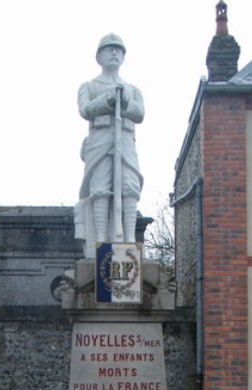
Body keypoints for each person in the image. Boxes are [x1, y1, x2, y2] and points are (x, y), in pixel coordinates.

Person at [74, 33, 144, 257]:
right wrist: (107, 100)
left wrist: (123, 101)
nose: (114, 53)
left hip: (125, 139)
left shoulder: (132, 89)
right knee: (100, 189)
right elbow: (85, 109)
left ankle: (130, 240)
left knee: (130, 187)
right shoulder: (89, 85)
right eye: (109, 49)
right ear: (99, 56)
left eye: (118, 49)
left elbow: (140, 113)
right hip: (100, 138)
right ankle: (102, 240)